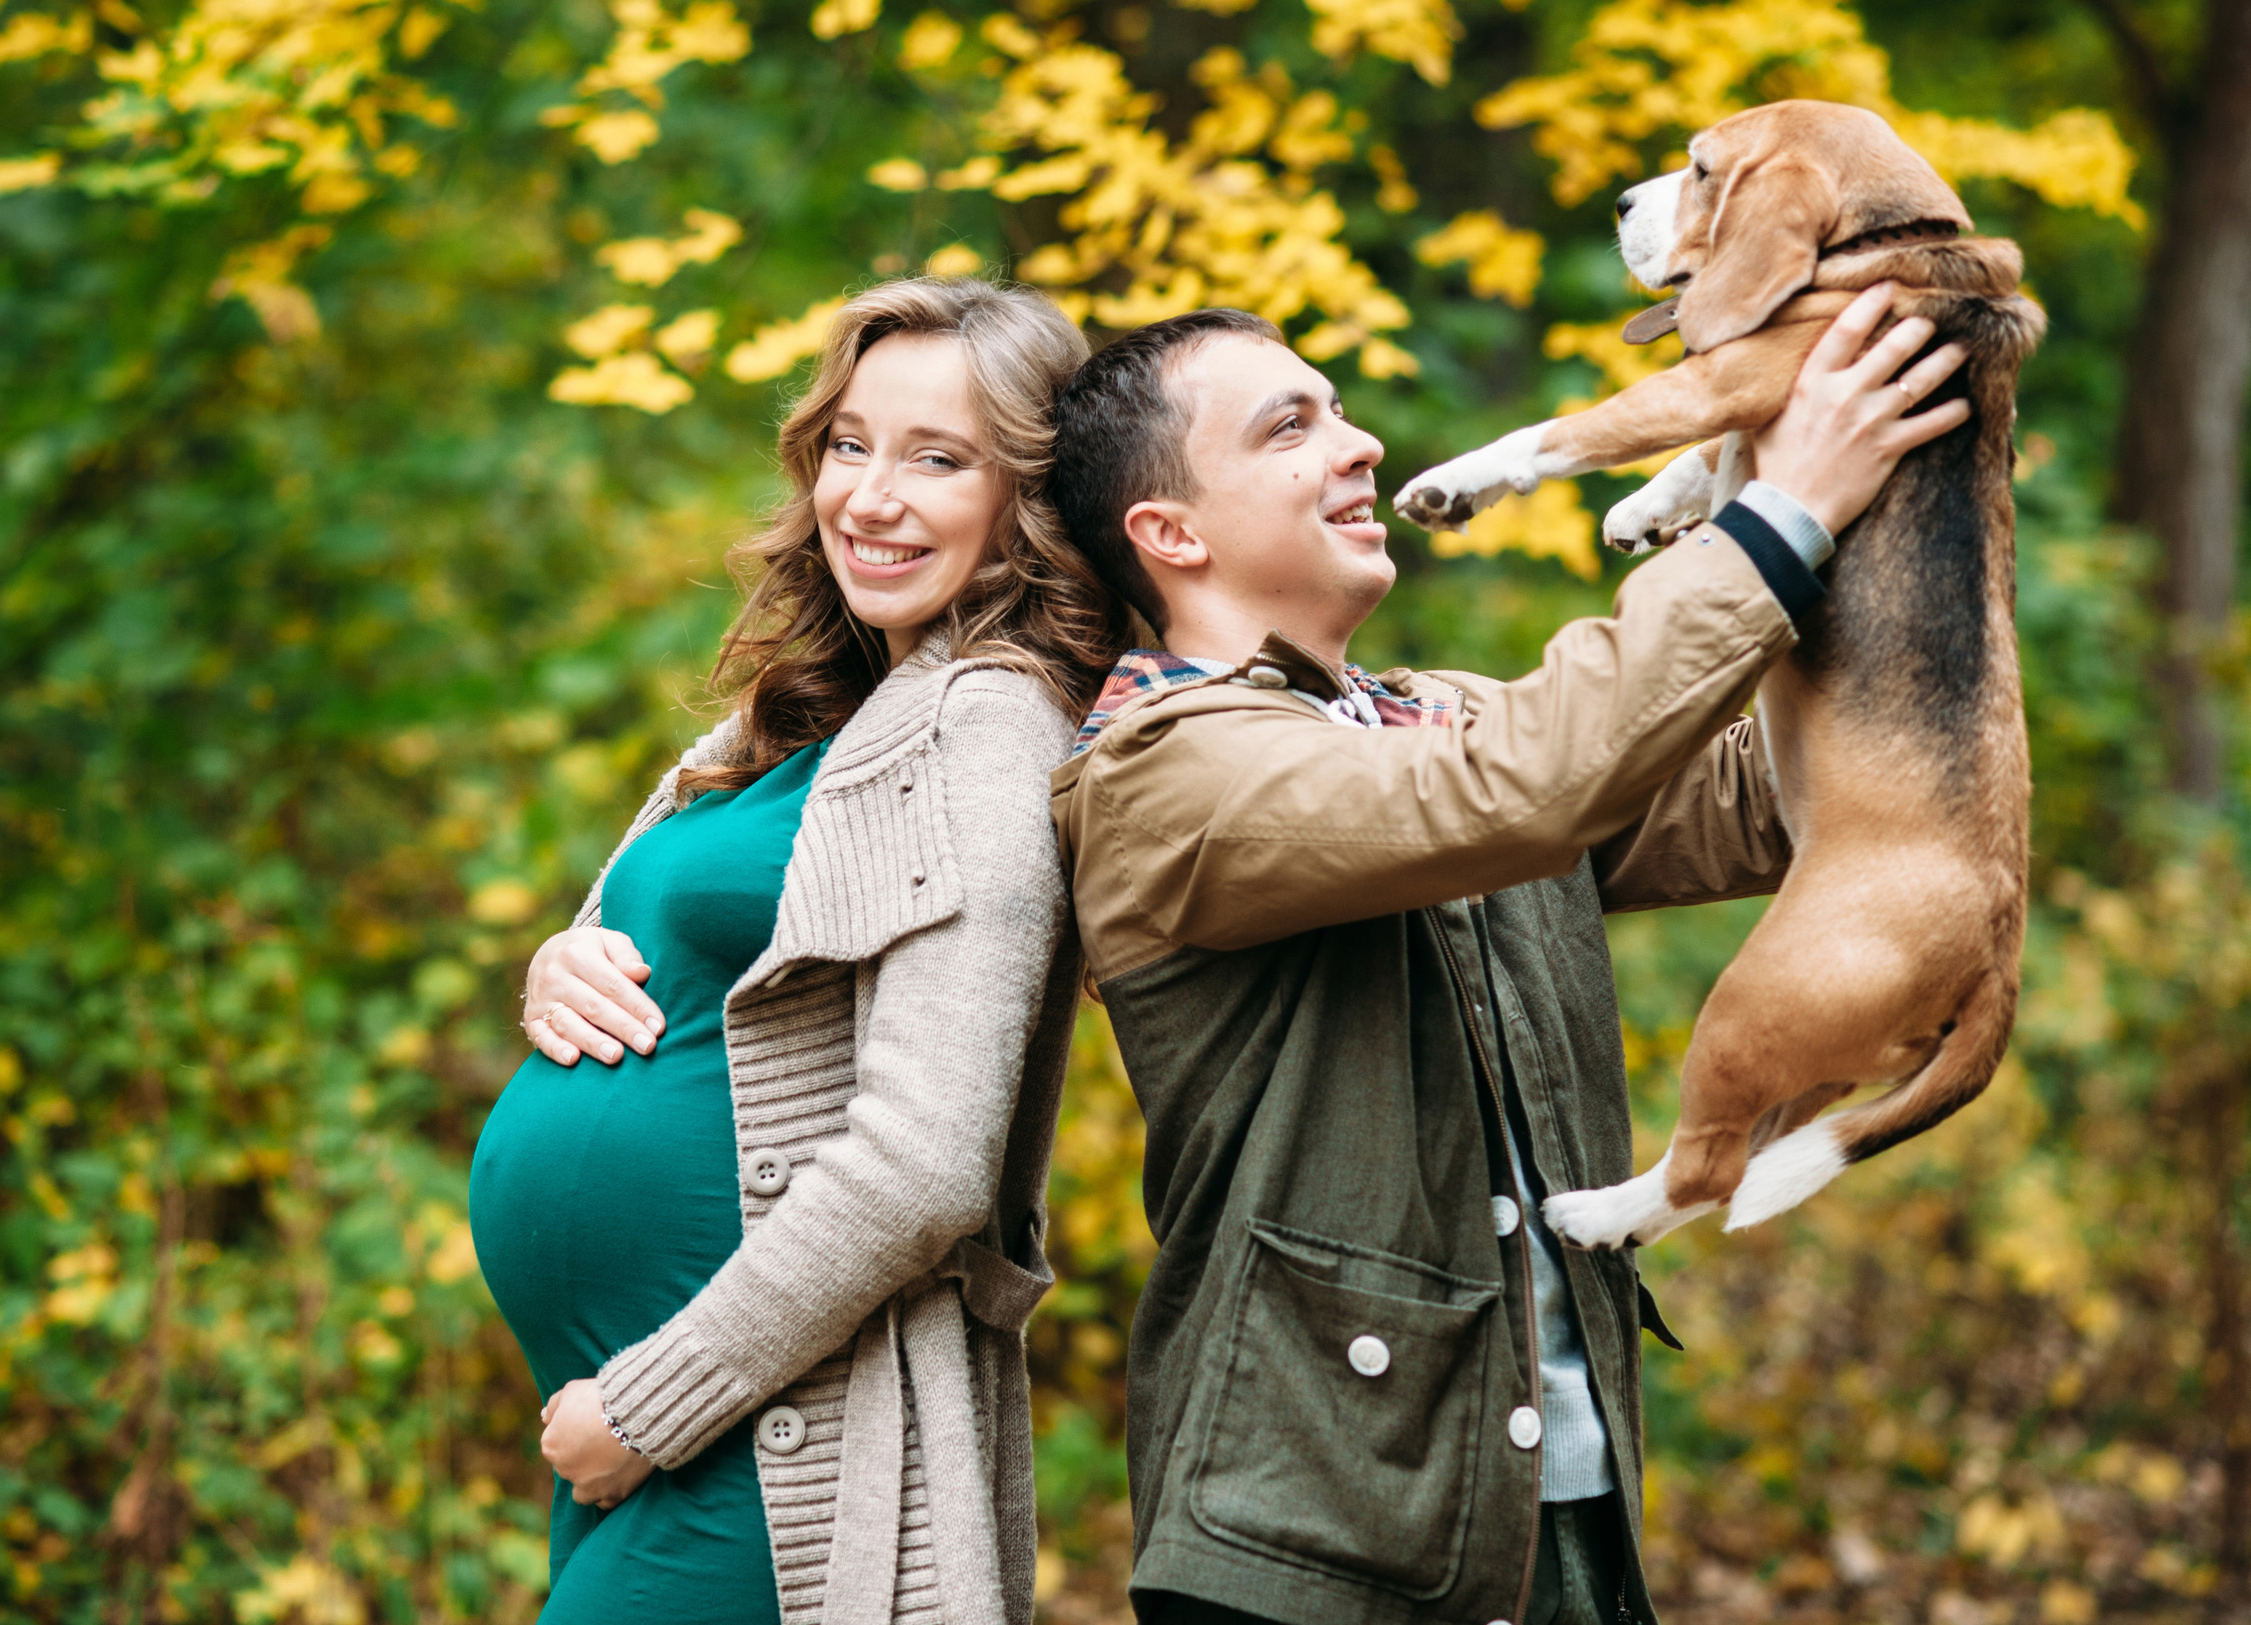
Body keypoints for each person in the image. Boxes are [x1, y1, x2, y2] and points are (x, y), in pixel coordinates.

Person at [1043, 287, 1969, 1625]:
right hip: (1308, 1548)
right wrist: (1781, 522)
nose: (1358, 445)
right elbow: (1525, 787)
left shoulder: (1437, 717)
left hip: (1563, 1515)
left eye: (1344, 412)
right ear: (1169, 532)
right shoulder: (1159, 771)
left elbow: (1781, 798)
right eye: (1290, 425)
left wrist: (1885, 504)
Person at [468, 275, 1124, 1625]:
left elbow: (926, 1163)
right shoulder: (839, 708)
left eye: (939, 459)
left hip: (771, 1447)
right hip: (680, 1438)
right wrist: (561, 964)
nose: (869, 497)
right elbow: (675, 938)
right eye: (849, 443)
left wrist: (651, 1408)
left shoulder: (985, 724)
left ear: (1031, 497)